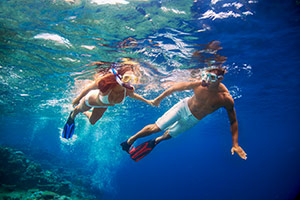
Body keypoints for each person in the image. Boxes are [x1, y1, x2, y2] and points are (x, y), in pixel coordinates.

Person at [121, 66, 247, 161]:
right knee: (157, 127)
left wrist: (235, 144)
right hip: (183, 107)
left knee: (169, 135)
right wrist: (158, 99)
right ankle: (129, 142)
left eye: (211, 78)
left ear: (220, 79)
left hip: (194, 119)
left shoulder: (225, 98)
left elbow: (233, 121)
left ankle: (157, 141)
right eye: (205, 76)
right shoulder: (199, 84)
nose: (206, 80)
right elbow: (175, 87)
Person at [62, 64, 154, 139]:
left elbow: (133, 95)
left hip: (103, 106)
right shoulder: (105, 83)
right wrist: (78, 99)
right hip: (90, 101)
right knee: (78, 111)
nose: (129, 83)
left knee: (92, 122)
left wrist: (148, 101)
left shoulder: (129, 89)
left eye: (133, 80)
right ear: (120, 78)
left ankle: (85, 112)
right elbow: (89, 88)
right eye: (127, 78)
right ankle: (73, 115)